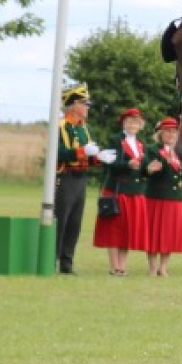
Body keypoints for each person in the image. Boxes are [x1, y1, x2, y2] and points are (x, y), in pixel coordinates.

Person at [53, 84, 115, 275]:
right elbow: (58, 153)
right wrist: (81, 152)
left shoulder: (84, 128)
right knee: (61, 221)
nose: (87, 107)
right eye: (84, 103)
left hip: (80, 179)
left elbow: (88, 154)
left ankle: (67, 263)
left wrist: (98, 157)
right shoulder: (60, 126)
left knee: (74, 222)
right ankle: (50, 260)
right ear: (73, 105)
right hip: (65, 178)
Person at [92, 107, 160, 275]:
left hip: (135, 192)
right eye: (129, 121)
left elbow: (141, 169)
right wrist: (127, 165)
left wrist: (148, 170)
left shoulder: (140, 143)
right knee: (114, 230)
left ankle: (122, 266)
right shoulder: (115, 140)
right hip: (117, 190)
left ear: (141, 125)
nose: (132, 125)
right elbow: (110, 164)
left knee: (127, 231)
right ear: (123, 123)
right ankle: (114, 266)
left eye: (136, 122)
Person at [144, 117, 182, 276]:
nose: (171, 135)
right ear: (160, 134)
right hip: (156, 196)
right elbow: (150, 169)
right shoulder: (153, 149)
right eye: (167, 132)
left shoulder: (180, 150)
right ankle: (152, 267)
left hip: (175, 197)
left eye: (174, 132)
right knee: (153, 233)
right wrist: (167, 161)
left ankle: (163, 267)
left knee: (169, 234)